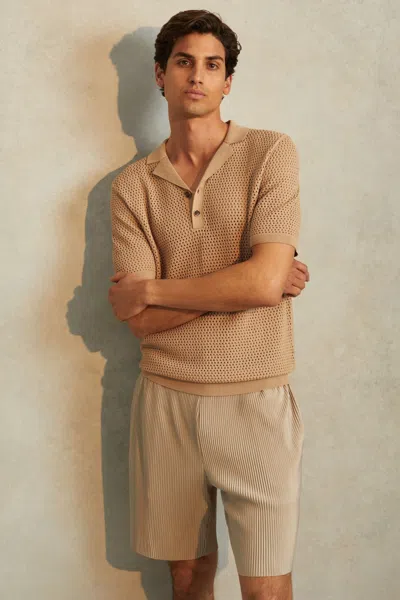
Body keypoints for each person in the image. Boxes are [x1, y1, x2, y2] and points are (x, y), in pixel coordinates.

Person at [108, 9, 310, 600]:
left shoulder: (270, 153)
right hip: (165, 401)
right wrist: (249, 281)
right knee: (186, 577)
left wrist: (153, 289)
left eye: (212, 65)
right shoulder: (131, 186)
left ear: (227, 82)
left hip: (257, 398)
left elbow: (260, 284)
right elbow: (140, 323)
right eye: (183, 62)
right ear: (160, 75)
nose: (197, 75)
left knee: (266, 586)